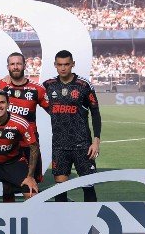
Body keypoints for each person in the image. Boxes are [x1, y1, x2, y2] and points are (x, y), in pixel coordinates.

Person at [42, 50, 102, 202]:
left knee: (88, 186)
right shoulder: (48, 86)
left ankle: (90, 222)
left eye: (67, 64)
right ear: (55, 65)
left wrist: (96, 141)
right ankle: (61, 223)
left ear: (73, 64)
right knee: (60, 189)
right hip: (60, 146)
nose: (63, 68)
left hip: (83, 145)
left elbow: (95, 113)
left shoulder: (83, 85)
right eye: (60, 65)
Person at [0, 52, 50, 201]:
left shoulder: (37, 89)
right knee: (7, 187)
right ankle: (9, 220)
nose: (16, 67)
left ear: (24, 65)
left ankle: (33, 220)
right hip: (8, 143)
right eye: (12, 64)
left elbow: (53, 111)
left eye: (18, 63)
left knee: (31, 188)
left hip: (29, 145)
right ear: (8, 67)